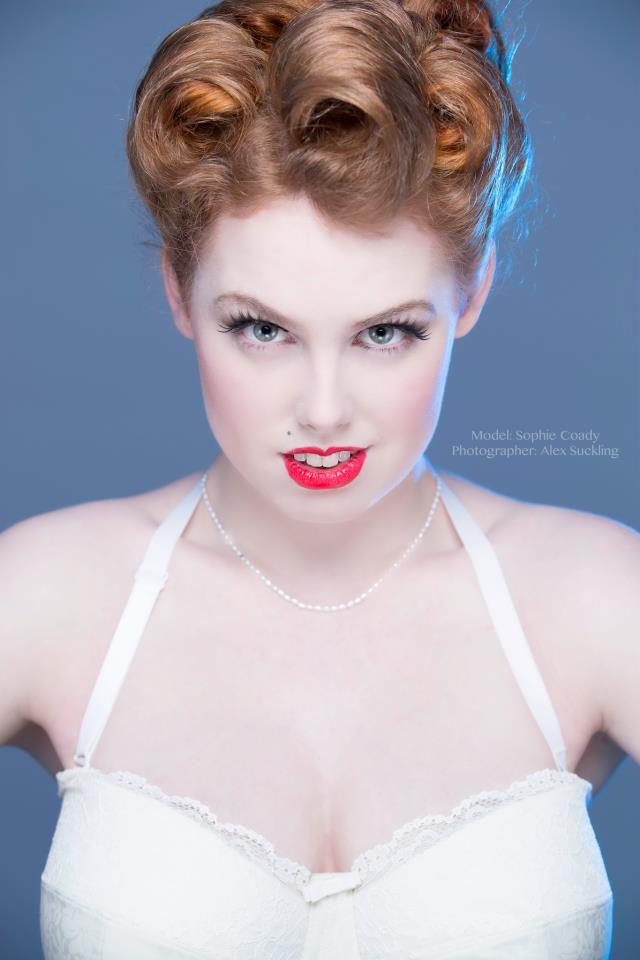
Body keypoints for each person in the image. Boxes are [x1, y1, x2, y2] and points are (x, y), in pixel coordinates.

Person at [1, 0, 638, 957]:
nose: (326, 409)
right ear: (178, 292)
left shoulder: (597, 597)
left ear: (472, 293)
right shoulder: (45, 593)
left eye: (387, 332)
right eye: (262, 329)